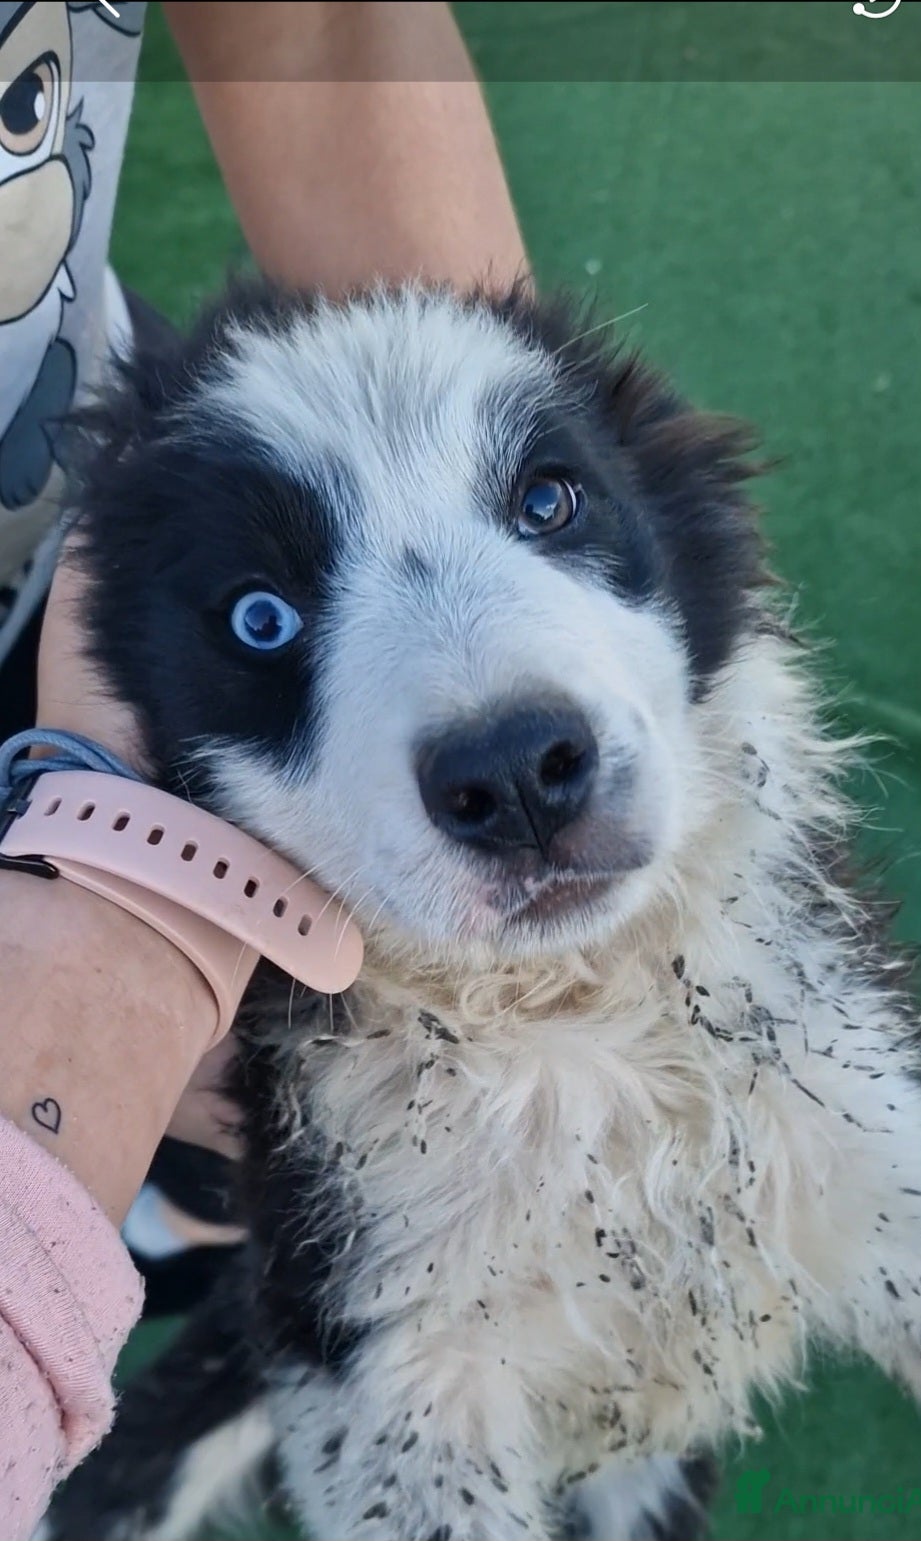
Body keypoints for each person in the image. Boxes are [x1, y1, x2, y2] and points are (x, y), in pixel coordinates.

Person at [0, 2, 527, 1531]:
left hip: (86, 558)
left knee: (283, 1103)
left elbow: (318, 28)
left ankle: (183, 1206)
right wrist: (112, 986)